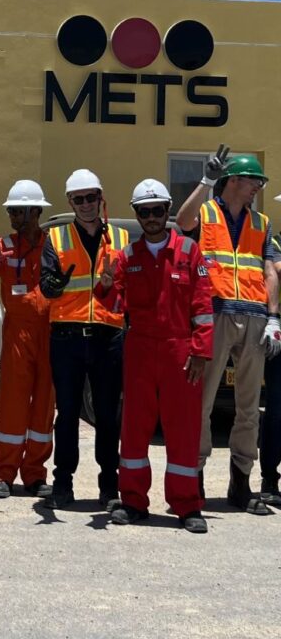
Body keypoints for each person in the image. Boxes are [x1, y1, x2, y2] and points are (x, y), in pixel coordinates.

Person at [96, 179, 213, 533]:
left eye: (157, 210)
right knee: (134, 428)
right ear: (137, 214)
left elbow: (202, 306)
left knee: (183, 429)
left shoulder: (189, 251)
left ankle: (186, 505)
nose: (151, 217)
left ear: (168, 210)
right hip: (141, 350)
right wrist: (104, 285)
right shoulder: (127, 257)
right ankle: (133, 501)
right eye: (144, 212)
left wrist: (200, 351)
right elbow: (116, 305)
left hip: (180, 351)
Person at [176, 147, 281, 514]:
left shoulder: (261, 222)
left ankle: (241, 484)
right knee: (201, 403)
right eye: (254, 182)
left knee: (249, 407)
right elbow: (183, 221)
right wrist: (205, 180)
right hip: (214, 314)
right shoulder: (206, 212)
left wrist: (274, 318)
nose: (258, 188)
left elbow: (269, 271)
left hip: (254, 317)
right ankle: (195, 480)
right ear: (234, 180)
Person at [39, 169, 128, 511]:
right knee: (67, 414)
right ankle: (63, 484)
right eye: (79, 199)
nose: (86, 204)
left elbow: (130, 286)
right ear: (70, 202)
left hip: (108, 336)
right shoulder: (56, 237)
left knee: (108, 415)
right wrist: (54, 284)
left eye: (92, 197)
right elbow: (47, 286)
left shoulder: (120, 238)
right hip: (67, 337)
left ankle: (109, 486)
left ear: (100, 198)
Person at [0, 180, 54, 499]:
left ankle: (35, 474)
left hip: (49, 332)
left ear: (35, 212)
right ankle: (4, 473)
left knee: (44, 407)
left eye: (19, 212)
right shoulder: (3, 245)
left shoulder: (53, 245)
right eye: (11, 211)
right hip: (17, 334)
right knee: (11, 404)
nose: (13, 217)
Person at [260, 225, 281, 505]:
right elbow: (276, 269)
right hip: (279, 332)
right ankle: (269, 479)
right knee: (277, 410)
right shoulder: (276, 242)